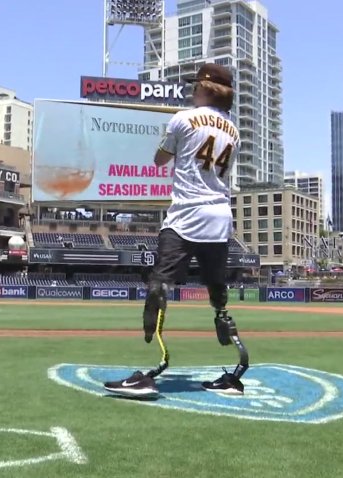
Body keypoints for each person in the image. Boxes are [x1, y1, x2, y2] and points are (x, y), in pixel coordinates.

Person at [104, 63, 249, 398]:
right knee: (218, 296)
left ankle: (153, 367)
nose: (191, 90)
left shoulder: (183, 118)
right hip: (219, 218)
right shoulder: (234, 129)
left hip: (186, 216)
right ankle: (236, 367)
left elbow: (159, 159)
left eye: (195, 85)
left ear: (207, 89)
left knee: (159, 286)